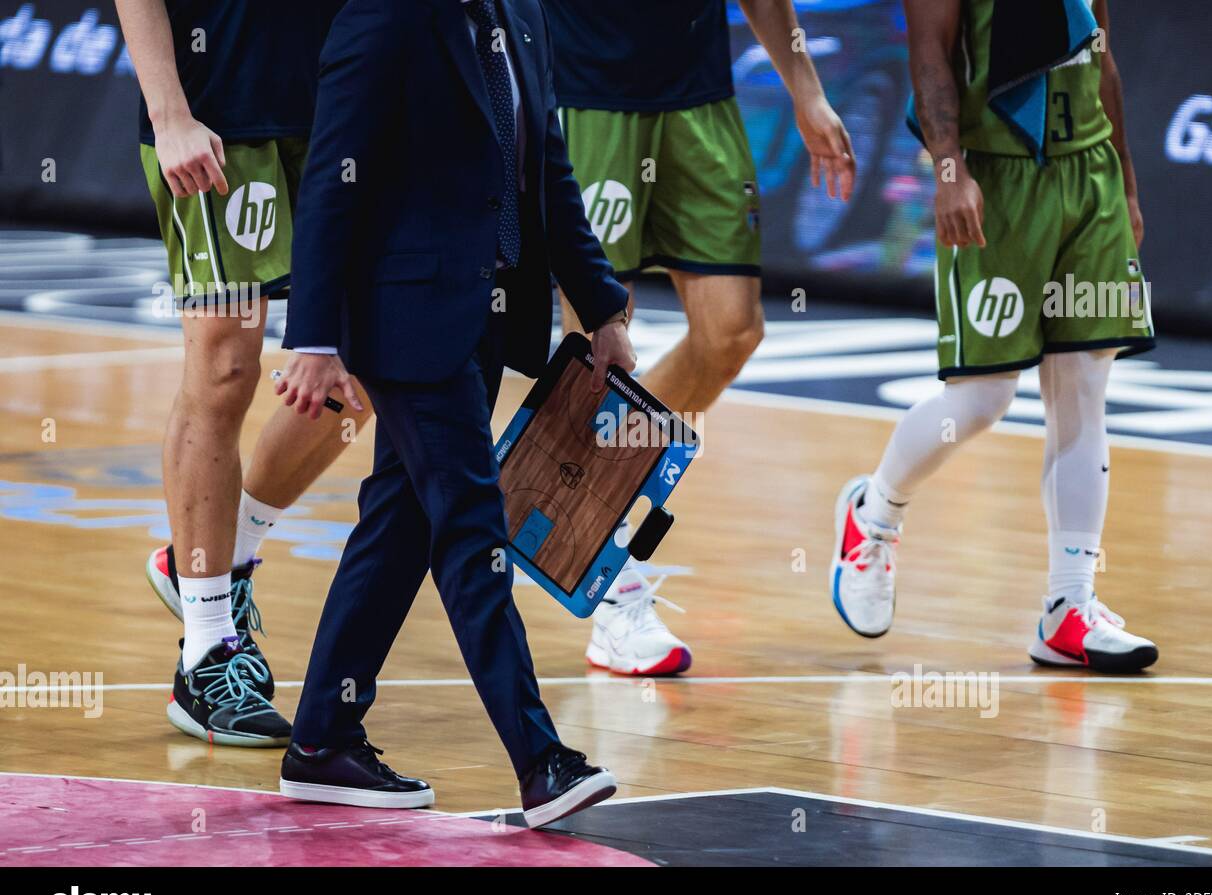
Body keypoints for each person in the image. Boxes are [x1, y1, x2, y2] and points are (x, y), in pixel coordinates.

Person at [273, 0, 629, 827]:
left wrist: (602, 307)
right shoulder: (385, 17)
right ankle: (539, 760)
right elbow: (332, 174)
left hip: (486, 318)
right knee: (473, 527)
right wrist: (315, 336)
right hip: (403, 318)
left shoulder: (527, 14)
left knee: (397, 527)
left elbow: (547, 169)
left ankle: (321, 739)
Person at [830, 0, 1158, 673]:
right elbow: (930, 52)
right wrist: (949, 170)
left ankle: (1069, 608)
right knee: (980, 403)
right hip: (998, 175)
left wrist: (1123, 178)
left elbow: (1100, 45)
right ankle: (875, 513)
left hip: (1086, 171)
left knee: (1085, 391)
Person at [545, 0, 856, 675]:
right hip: (586, 89)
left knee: (731, 332)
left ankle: (579, 491)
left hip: (696, 95)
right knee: (601, 336)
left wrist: (806, 89)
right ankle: (609, 582)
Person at [118, 0, 372, 746]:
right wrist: (169, 118)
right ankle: (206, 648)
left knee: (371, 362)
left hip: (338, 106)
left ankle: (217, 554)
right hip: (217, 111)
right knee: (227, 360)